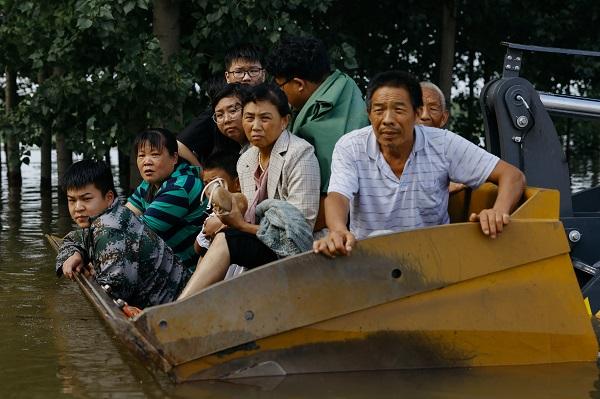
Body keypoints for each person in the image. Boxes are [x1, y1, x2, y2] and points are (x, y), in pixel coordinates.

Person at [313, 70, 526, 257]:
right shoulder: (351, 146)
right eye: (379, 110)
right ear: (369, 114)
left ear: (416, 114)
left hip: (432, 259)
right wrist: (338, 230)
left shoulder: (443, 144)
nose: (387, 119)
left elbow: (513, 176)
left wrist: (498, 211)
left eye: (398, 110)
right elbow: (338, 196)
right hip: (369, 258)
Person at [178, 83, 320, 299]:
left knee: (228, 239)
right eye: (249, 117)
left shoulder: (300, 154)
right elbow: (246, 211)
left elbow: (301, 229)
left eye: (264, 118)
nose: (255, 126)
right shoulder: (246, 159)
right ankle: (187, 308)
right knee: (220, 239)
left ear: (285, 121)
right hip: (262, 241)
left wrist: (242, 226)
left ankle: (179, 310)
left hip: (293, 249)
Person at [56, 160, 190, 308]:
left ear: (108, 198)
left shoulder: (110, 229)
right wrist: (75, 253)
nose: (78, 207)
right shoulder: (109, 216)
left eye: (86, 199)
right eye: (72, 200)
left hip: (176, 308)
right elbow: (74, 237)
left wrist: (93, 273)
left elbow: (113, 294)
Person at [267, 36, 369, 230]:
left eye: (279, 86)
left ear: (298, 84)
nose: (278, 93)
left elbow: (321, 211)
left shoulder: (317, 129)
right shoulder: (345, 84)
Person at [126, 128, 206, 270]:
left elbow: (135, 234)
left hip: (191, 274)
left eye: (155, 155)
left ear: (174, 158)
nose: (147, 162)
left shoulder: (179, 188)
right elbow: (124, 216)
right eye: (141, 155)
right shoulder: (149, 184)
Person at [177, 43, 266, 166]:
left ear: (263, 74)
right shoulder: (220, 108)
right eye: (239, 72)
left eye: (253, 71)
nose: (246, 77)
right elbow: (179, 144)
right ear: (227, 77)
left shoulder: (274, 101)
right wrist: (202, 174)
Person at [418, 81, 464, 193]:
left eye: (433, 109)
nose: (424, 116)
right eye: (418, 108)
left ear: (443, 118)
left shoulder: (451, 145)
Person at [194, 150, 241, 255]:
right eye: (206, 184)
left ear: (237, 184)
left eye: (216, 183)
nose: (210, 190)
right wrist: (207, 230)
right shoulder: (214, 213)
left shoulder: (243, 208)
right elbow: (197, 249)